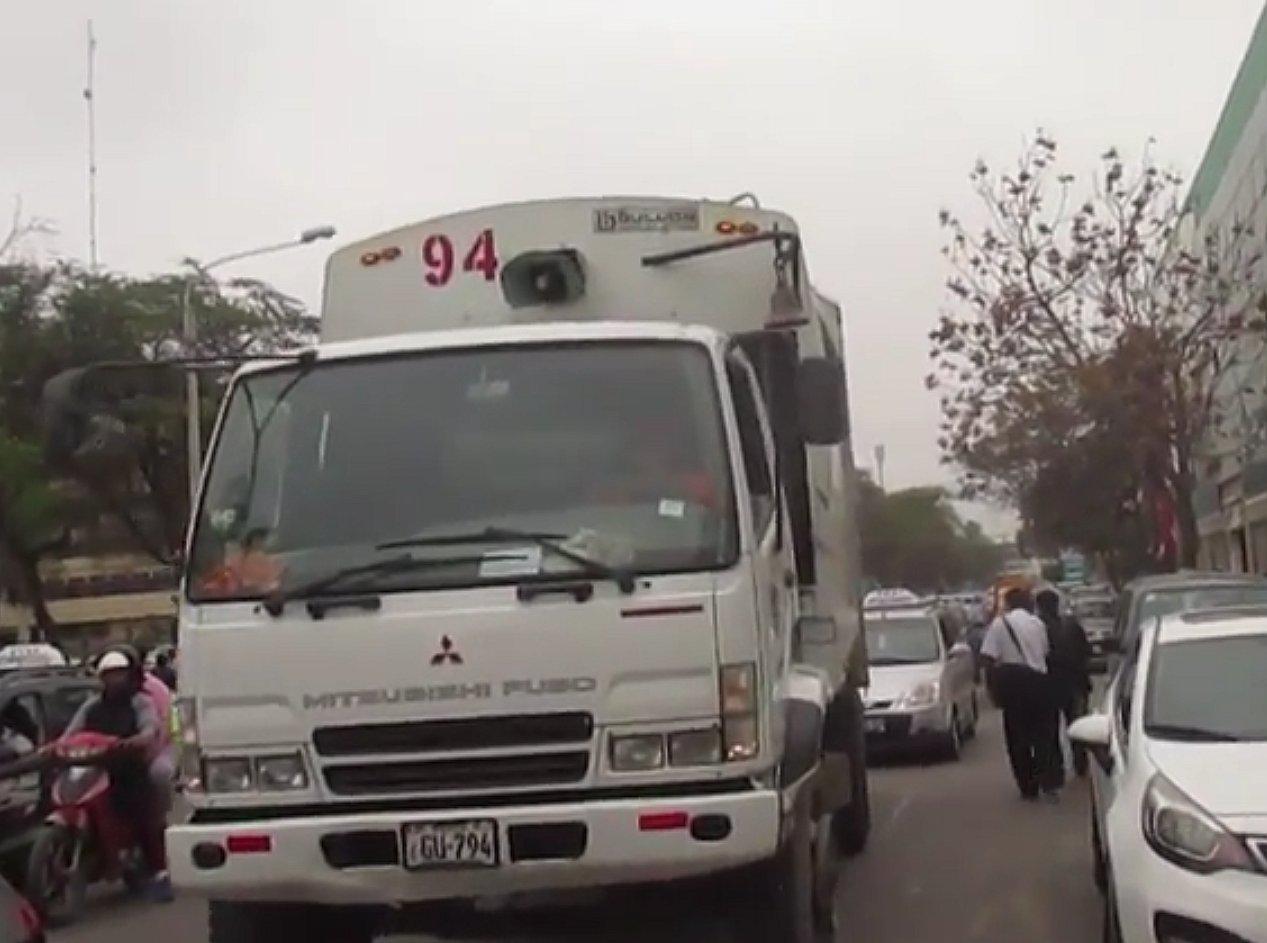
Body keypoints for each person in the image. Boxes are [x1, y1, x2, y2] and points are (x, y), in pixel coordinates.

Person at [61, 648, 173, 903]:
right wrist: (56, 747)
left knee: (144, 817)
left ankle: (160, 873)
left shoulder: (140, 701)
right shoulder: (92, 705)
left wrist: (138, 741)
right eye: (108, 675)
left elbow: (150, 727)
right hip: (98, 766)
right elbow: (72, 731)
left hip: (130, 768)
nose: (114, 680)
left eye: (119, 674)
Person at [979, 587, 1063, 801]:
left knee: (1017, 737)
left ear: (1007, 604)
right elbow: (1044, 652)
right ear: (1028, 604)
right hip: (1039, 683)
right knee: (1043, 735)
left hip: (1014, 685)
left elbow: (988, 658)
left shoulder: (1000, 625)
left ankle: (1028, 785)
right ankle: (1048, 781)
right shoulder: (1038, 624)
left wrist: (992, 689)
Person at [1035, 588, 1093, 778]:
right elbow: (1086, 651)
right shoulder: (1072, 625)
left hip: (1048, 685)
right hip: (1075, 683)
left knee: (1050, 730)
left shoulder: (1037, 628)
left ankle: (1057, 768)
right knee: (1077, 725)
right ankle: (1080, 763)